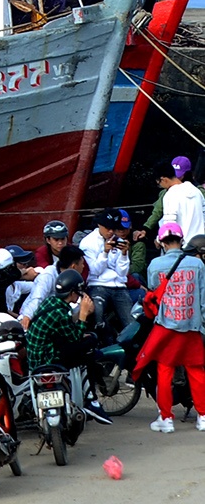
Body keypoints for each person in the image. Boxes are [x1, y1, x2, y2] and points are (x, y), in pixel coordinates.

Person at [23, 267, 113, 423]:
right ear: (72, 293)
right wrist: (84, 315)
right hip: (49, 359)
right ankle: (91, 399)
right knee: (89, 346)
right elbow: (75, 337)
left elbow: (65, 327)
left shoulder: (51, 302)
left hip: (38, 357)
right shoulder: (60, 313)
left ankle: (90, 396)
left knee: (88, 340)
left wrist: (81, 315)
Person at [139, 223, 205, 433]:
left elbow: (153, 294)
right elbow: (203, 298)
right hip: (192, 324)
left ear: (160, 242)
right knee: (196, 370)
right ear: (182, 240)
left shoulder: (154, 265)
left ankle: (166, 419)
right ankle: (203, 416)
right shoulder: (197, 264)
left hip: (166, 326)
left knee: (165, 371)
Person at [79, 208, 134, 337]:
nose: (111, 232)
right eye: (107, 228)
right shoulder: (88, 242)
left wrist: (125, 254)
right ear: (99, 225)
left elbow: (122, 273)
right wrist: (104, 253)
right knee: (98, 318)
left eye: (113, 228)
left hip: (119, 286)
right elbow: (94, 270)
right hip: (97, 285)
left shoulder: (118, 241)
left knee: (131, 322)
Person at [22, 244, 86, 324]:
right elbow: (37, 298)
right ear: (73, 266)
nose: (83, 266)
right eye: (81, 264)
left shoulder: (73, 278)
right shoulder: (48, 276)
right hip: (37, 317)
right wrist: (27, 317)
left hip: (57, 316)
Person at [161, 157, 204, 244]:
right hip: (200, 244)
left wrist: (161, 239)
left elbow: (169, 224)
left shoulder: (170, 194)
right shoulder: (198, 192)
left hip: (181, 246)